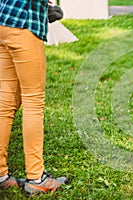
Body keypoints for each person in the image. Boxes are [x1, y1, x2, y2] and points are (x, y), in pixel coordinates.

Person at [0, 0, 68, 195]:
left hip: (4, 22)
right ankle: (36, 178)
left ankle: (1, 175)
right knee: (33, 102)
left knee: (5, 103)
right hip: (24, 25)